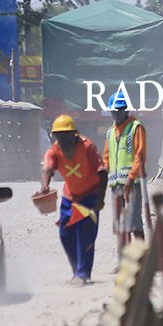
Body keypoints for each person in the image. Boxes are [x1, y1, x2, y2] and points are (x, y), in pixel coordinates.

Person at [40, 114, 107, 285]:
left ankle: (83, 273)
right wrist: (45, 186)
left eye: (66, 136)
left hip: (90, 196)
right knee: (65, 234)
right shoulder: (54, 151)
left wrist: (101, 198)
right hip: (70, 197)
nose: (63, 141)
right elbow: (47, 169)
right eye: (59, 137)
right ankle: (76, 269)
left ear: (74, 135)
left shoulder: (87, 147)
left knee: (85, 234)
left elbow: (102, 172)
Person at [104, 91, 148, 252]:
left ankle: (142, 259)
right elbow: (107, 157)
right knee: (121, 225)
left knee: (135, 222)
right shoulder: (110, 132)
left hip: (133, 184)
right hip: (116, 185)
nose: (116, 114)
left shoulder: (136, 128)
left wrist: (130, 179)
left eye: (119, 110)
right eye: (113, 111)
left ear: (126, 110)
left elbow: (140, 156)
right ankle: (125, 260)